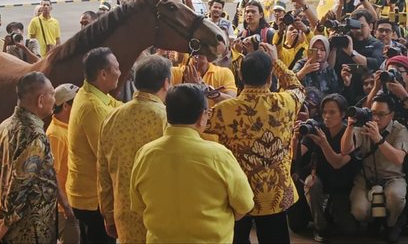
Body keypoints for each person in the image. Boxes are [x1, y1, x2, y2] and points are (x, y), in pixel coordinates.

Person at [130, 84, 254, 243]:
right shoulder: (219, 156)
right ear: (202, 116)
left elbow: (139, 206)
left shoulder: (145, 154)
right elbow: (244, 205)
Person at [207, 44, 305, 244]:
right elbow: (298, 87)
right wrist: (276, 62)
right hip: (275, 191)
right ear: (270, 78)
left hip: (238, 190)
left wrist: (197, 90)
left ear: (241, 77)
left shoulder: (223, 110)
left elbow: (197, 123)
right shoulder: (285, 103)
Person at [97, 55, 172, 243]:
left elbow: (103, 172)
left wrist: (108, 214)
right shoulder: (168, 119)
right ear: (166, 83)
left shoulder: (111, 118)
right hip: (162, 215)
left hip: (124, 215)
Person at [0, 72, 57, 243]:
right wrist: (6, 222)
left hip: (3, 220)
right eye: (52, 93)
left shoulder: (4, 126)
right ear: (41, 99)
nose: (55, 99)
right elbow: (20, 183)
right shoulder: (35, 135)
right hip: (29, 228)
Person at [66, 47, 122, 244]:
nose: (120, 72)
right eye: (116, 68)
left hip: (85, 193)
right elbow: (107, 156)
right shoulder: (93, 108)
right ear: (103, 73)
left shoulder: (92, 92)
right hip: (92, 200)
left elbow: (118, 107)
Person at [341, 94, 408, 243]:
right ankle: (372, 222)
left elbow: (398, 158)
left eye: (381, 114)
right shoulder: (365, 126)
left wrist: (379, 139)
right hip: (367, 178)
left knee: (395, 197)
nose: (376, 118)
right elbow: (345, 150)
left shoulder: (400, 130)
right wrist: (350, 127)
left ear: (392, 115)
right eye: (373, 113)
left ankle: (392, 224)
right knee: (358, 211)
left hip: (392, 177)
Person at [291, 94, 358, 242]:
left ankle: (332, 215)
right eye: (324, 112)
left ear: (343, 114)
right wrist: (295, 138)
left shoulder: (348, 133)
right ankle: (320, 227)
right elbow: (297, 155)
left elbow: (337, 163)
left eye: (332, 112)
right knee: (311, 183)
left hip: (342, 184)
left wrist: (324, 143)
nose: (327, 116)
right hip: (319, 178)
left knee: (349, 229)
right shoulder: (317, 129)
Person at [46, 83, 80, 244]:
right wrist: (66, 207)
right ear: (66, 105)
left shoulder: (68, 128)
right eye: (77, 103)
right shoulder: (55, 135)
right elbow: (52, 174)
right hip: (64, 210)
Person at [171, 54, 237, 107]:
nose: (200, 50)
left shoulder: (224, 72)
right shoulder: (175, 72)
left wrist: (205, 89)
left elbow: (232, 103)